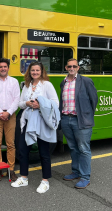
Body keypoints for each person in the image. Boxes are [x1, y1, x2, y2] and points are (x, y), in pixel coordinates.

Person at [11, 61, 59, 193]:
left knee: (44, 152)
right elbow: (20, 104)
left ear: (41, 71)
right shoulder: (27, 85)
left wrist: (40, 105)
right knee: (23, 150)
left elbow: (56, 103)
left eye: (37, 70)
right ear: (29, 72)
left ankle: (45, 181)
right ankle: (24, 178)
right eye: (33, 70)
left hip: (42, 122)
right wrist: (27, 103)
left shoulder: (47, 85)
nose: (35, 72)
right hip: (27, 121)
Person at [60, 58, 98, 189]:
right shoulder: (63, 82)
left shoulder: (86, 81)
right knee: (73, 147)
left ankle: (85, 177)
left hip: (80, 120)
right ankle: (75, 172)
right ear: (66, 67)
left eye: (74, 66)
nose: (71, 68)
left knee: (83, 149)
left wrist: (86, 116)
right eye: (69, 66)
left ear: (78, 68)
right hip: (66, 119)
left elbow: (94, 100)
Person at [0, 58, 20, 182]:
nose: (3, 69)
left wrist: (8, 112)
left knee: (11, 143)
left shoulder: (14, 81)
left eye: (5, 66)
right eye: (0, 67)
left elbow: (17, 98)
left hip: (10, 114)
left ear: (8, 68)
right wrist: (0, 112)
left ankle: (11, 170)